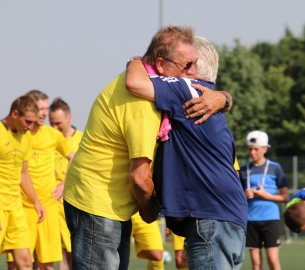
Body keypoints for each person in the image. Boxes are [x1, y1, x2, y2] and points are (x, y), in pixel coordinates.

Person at [63, 26, 229, 270]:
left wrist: (224, 97)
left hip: (108, 203)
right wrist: (151, 211)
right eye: (187, 65)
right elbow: (140, 178)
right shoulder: (143, 107)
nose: (192, 72)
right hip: (97, 204)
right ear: (160, 65)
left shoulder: (147, 82)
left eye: (194, 63)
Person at [125, 36, 247, 269]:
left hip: (210, 214)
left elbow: (134, 82)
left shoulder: (185, 90)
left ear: (193, 69)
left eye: (186, 62)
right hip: (227, 214)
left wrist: (137, 60)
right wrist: (226, 98)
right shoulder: (207, 96)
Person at [7, 91, 74, 270]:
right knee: (17, 262)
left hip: (48, 206)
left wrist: (64, 183)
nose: (45, 113)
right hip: (22, 206)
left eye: (46, 108)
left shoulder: (53, 134)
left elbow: (74, 157)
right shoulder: (19, 133)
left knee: (47, 263)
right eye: (41, 108)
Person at [0, 96, 45, 270]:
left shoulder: (26, 137)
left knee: (26, 262)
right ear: (15, 113)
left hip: (15, 208)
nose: (30, 127)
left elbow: (23, 174)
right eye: (28, 122)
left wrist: (35, 201)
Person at [240, 131, 289, 270]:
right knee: (256, 262)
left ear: (265, 149)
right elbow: (236, 197)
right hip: (250, 219)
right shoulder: (244, 169)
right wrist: (244, 194)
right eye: (250, 149)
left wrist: (265, 196)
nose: (252, 152)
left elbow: (285, 197)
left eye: (256, 149)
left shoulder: (275, 168)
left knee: (272, 260)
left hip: (270, 219)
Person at [49, 98, 83, 270]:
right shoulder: (46, 139)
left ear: (69, 118)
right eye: (51, 123)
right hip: (47, 204)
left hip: (71, 204)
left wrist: (64, 183)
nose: (54, 128)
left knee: (71, 254)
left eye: (58, 123)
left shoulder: (83, 139)